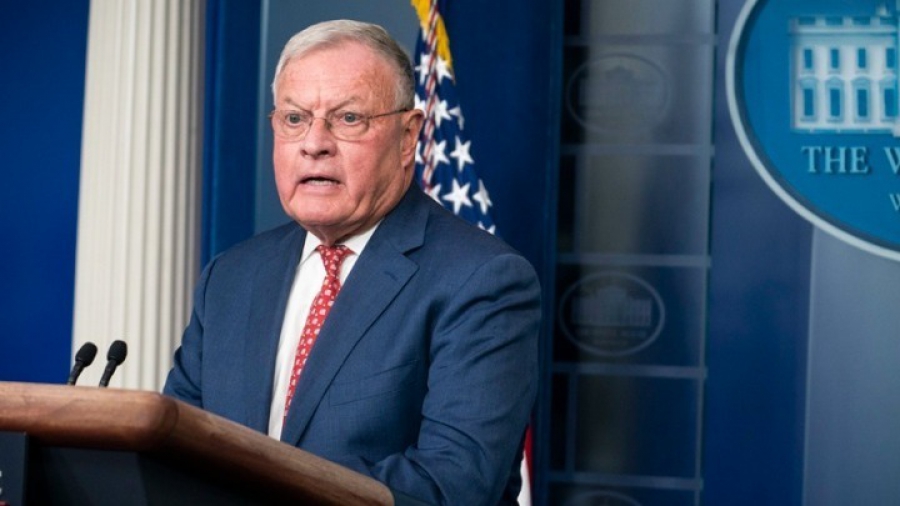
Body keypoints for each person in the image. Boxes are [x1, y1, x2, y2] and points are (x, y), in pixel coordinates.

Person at [163, 19, 540, 506]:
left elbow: (452, 485)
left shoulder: (482, 280)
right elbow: (174, 452)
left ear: (408, 137)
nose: (314, 143)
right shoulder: (231, 277)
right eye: (294, 119)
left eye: (347, 119)